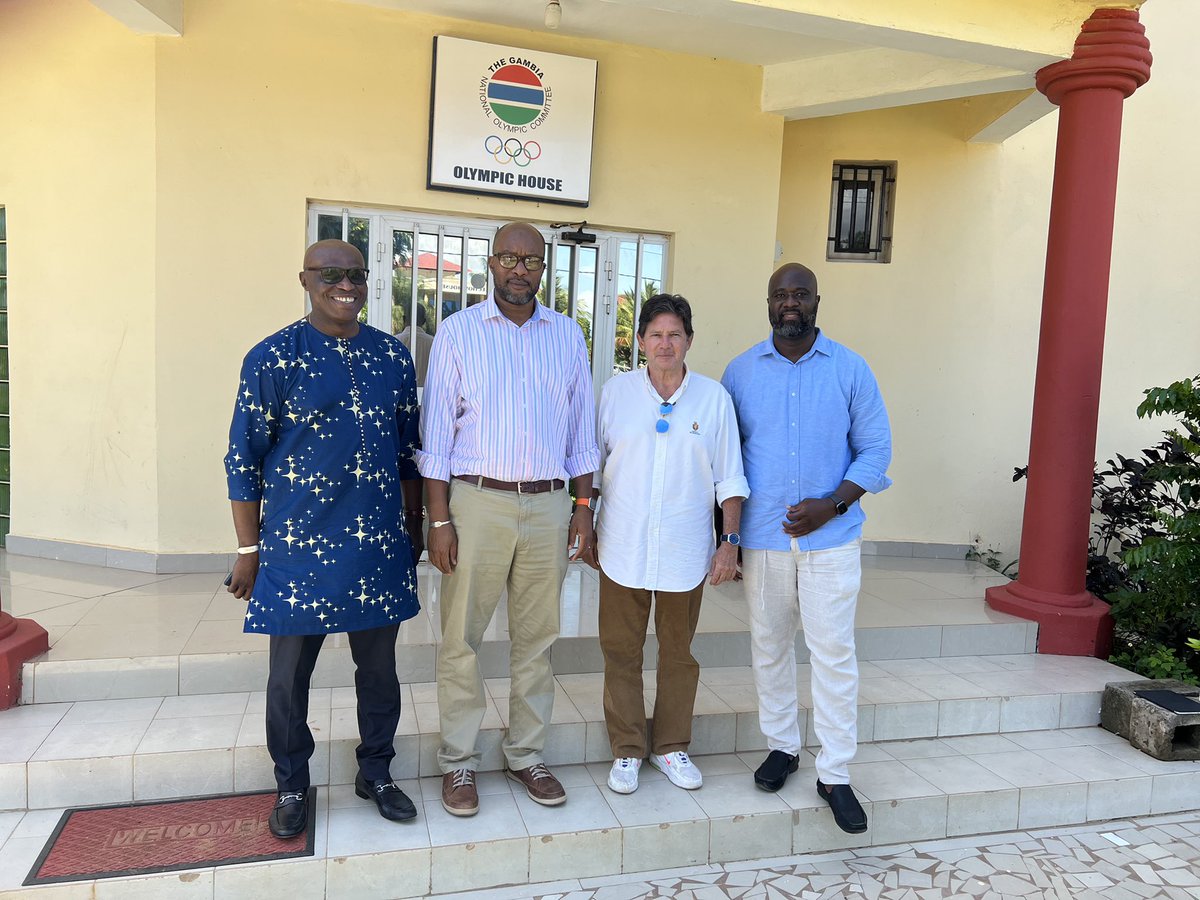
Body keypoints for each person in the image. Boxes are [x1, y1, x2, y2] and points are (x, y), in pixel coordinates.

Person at [224, 239, 424, 838]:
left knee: (379, 673)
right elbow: (243, 460)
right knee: (288, 680)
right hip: (297, 548)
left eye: (356, 275)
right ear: (305, 280)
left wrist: (415, 527)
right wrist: (248, 550)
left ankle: (376, 773)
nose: (346, 285)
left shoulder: (392, 356)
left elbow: (409, 453)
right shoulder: (273, 358)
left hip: (376, 545)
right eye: (330, 273)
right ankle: (291, 785)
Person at [418, 221, 599, 816]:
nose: (520, 269)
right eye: (509, 258)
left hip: (549, 505)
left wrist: (583, 509)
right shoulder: (458, 332)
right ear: (491, 263)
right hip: (478, 503)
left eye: (531, 260)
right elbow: (436, 438)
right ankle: (459, 761)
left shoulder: (568, 336)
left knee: (537, 639)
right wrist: (439, 521)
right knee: (462, 639)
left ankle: (527, 754)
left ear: (544, 269)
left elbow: (580, 433)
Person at [721, 262, 891, 835]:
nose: (790, 302)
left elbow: (876, 450)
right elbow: (725, 459)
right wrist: (727, 536)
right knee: (769, 647)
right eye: (780, 294)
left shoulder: (850, 368)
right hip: (763, 540)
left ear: (817, 300)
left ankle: (836, 773)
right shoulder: (741, 372)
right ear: (768, 302)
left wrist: (832, 505)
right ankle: (782, 747)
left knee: (832, 653)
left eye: (800, 294)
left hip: (832, 541)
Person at [591, 294, 748, 794]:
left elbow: (730, 478)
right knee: (621, 650)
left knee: (678, 653)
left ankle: (670, 745)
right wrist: (583, 523)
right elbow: (593, 467)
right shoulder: (616, 393)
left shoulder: (713, 399)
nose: (665, 344)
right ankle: (627, 748)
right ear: (640, 341)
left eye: (674, 335)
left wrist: (729, 543)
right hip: (622, 544)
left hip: (685, 548)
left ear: (689, 341)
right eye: (656, 335)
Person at [395, 302, 434, 388]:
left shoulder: (395, 341)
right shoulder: (433, 342)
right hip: (426, 392)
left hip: (402, 392)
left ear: (404, 319)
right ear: (424, 321)